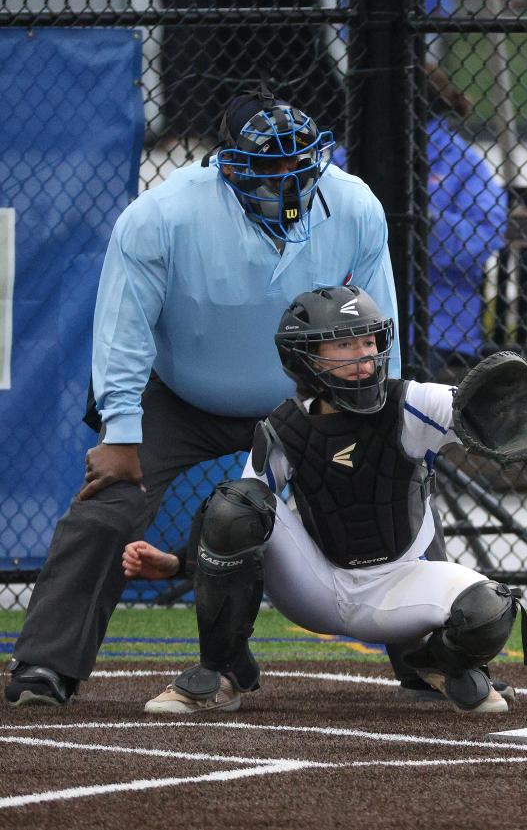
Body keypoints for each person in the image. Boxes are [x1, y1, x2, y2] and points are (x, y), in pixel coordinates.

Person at [4, 87, 399, 708]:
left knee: (391, 489)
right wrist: (121, 429)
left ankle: (433, 656)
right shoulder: (162, 215)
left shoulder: (353, 206)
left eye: (298, 169)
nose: (286, 184)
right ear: (227, 165)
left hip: (303, 395)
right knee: (105, 508)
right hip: (182, 392)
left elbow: (377, 327)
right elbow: (122, 329)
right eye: (268, 169)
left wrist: (387, 423)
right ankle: (45, 667)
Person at [121, 286, 527, 714]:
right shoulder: (284, 424)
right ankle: (222, 672)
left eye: (369, 341)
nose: (363, 355)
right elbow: (238, 516)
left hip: (401, 585)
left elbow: (472, 409)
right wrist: (176, 563)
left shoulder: (410, 401)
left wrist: (498, 417)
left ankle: (437, 664)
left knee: (490, 608)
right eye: (344, 343)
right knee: (239, 501)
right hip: (317, 587)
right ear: (304, 356)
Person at [422, 64, 508, 379]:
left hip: (437, 317)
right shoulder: (350, 153)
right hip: (356, 306)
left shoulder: (463, 161)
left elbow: (485, 234)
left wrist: (424, 225)